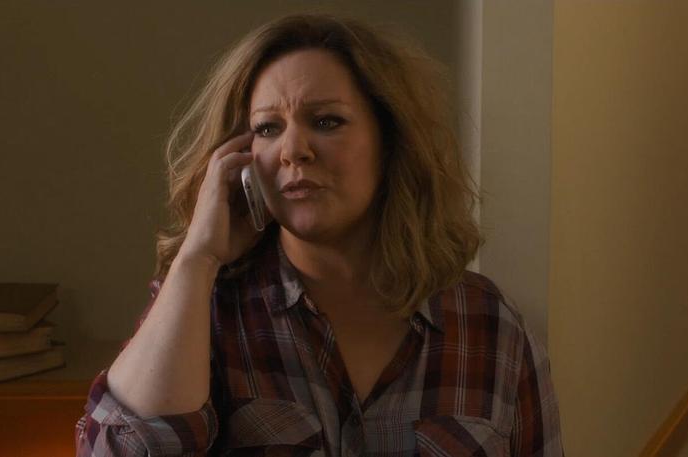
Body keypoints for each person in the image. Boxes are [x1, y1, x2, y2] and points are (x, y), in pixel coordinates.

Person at [75, 12, 562, 456]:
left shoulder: (490, 327)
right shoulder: (208, 310)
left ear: (391, 141)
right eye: (267, 128)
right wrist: (197, 258)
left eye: (327, 121)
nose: (293, 150)